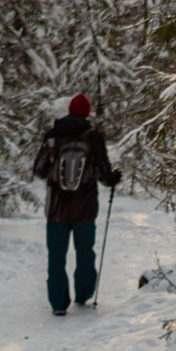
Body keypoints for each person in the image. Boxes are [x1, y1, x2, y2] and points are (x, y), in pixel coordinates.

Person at [33, 92, 118, 314]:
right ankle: (83, 295)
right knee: (85, 253)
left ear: (69, 110)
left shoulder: (53, 135)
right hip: (85, 209)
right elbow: (104, 175)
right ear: (87, 113)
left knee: (56, 256)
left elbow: (39, 170)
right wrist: (114, 178)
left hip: (56, 210)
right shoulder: (93, 138)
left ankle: (59, 304)